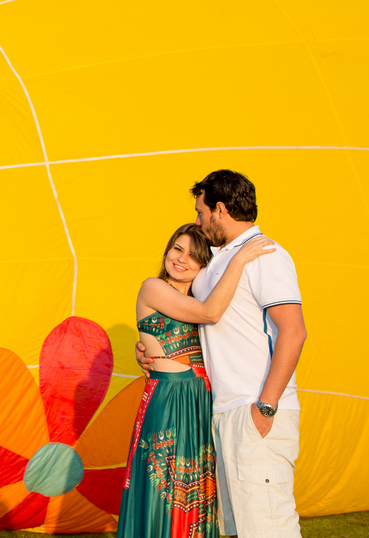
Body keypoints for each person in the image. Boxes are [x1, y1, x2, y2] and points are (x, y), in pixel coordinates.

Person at [137, 170, 308, 538]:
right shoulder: (216, 262)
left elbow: (294, 332)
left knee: (268, 525)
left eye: (201, 213)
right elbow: (194, 322)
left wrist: (266, 406)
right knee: (241, 526)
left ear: (219, 209)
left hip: (254, 407)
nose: (198, 221)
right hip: (219, 411)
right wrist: (149, 345)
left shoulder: (264, 254)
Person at [119, 223, 274, 538]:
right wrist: (240, 259)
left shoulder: (202, 296)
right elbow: (208, 313)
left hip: (202, 401)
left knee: (200, 489)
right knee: (163, 487)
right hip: (169, 399)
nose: (181, 259)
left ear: (204, 264)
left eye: (194, 256)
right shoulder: (154, 286)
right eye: (177, 249)